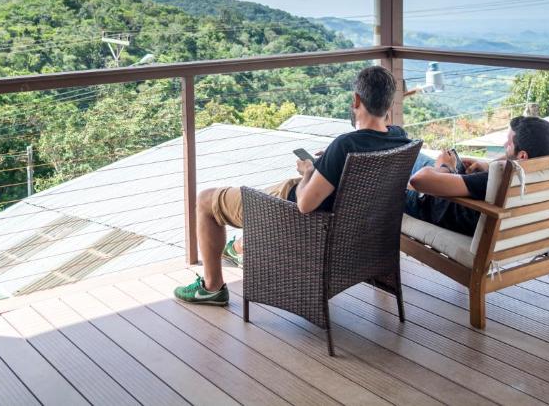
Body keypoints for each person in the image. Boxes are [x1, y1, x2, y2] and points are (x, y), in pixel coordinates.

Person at [174, 65, 413, 306]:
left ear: (356, 100)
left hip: (296, 214)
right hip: (355, 235)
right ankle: (239, 246)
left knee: (206, 199)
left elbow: (305, 204)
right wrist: (328, 162)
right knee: (254, 197)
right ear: (389, 104)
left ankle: (212, 286)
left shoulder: (345, 145)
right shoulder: (400, 138)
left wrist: (309, 171)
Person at [405, 116, 549, 236]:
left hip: (432, 204)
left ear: (522, 156)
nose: (504, 146)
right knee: (412, 153)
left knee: (403, 158)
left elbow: (419, 180)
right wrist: (487, 166)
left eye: (509, 144)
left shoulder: (496, 181)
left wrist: (445, 166)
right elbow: (512, 164)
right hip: (484, 212)